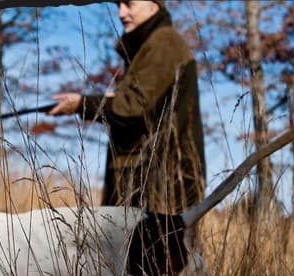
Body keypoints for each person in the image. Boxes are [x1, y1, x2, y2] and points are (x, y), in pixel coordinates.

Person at [48, 0, 205, 217]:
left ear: (153, 5)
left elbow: (134, 106)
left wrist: (82, 104)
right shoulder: (150, 45)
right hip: (146, 179)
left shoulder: (164, 42)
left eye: (129, 4)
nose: (121, 12)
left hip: (159, 183)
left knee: (153, 251)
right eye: (118, 5)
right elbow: (140, 101)